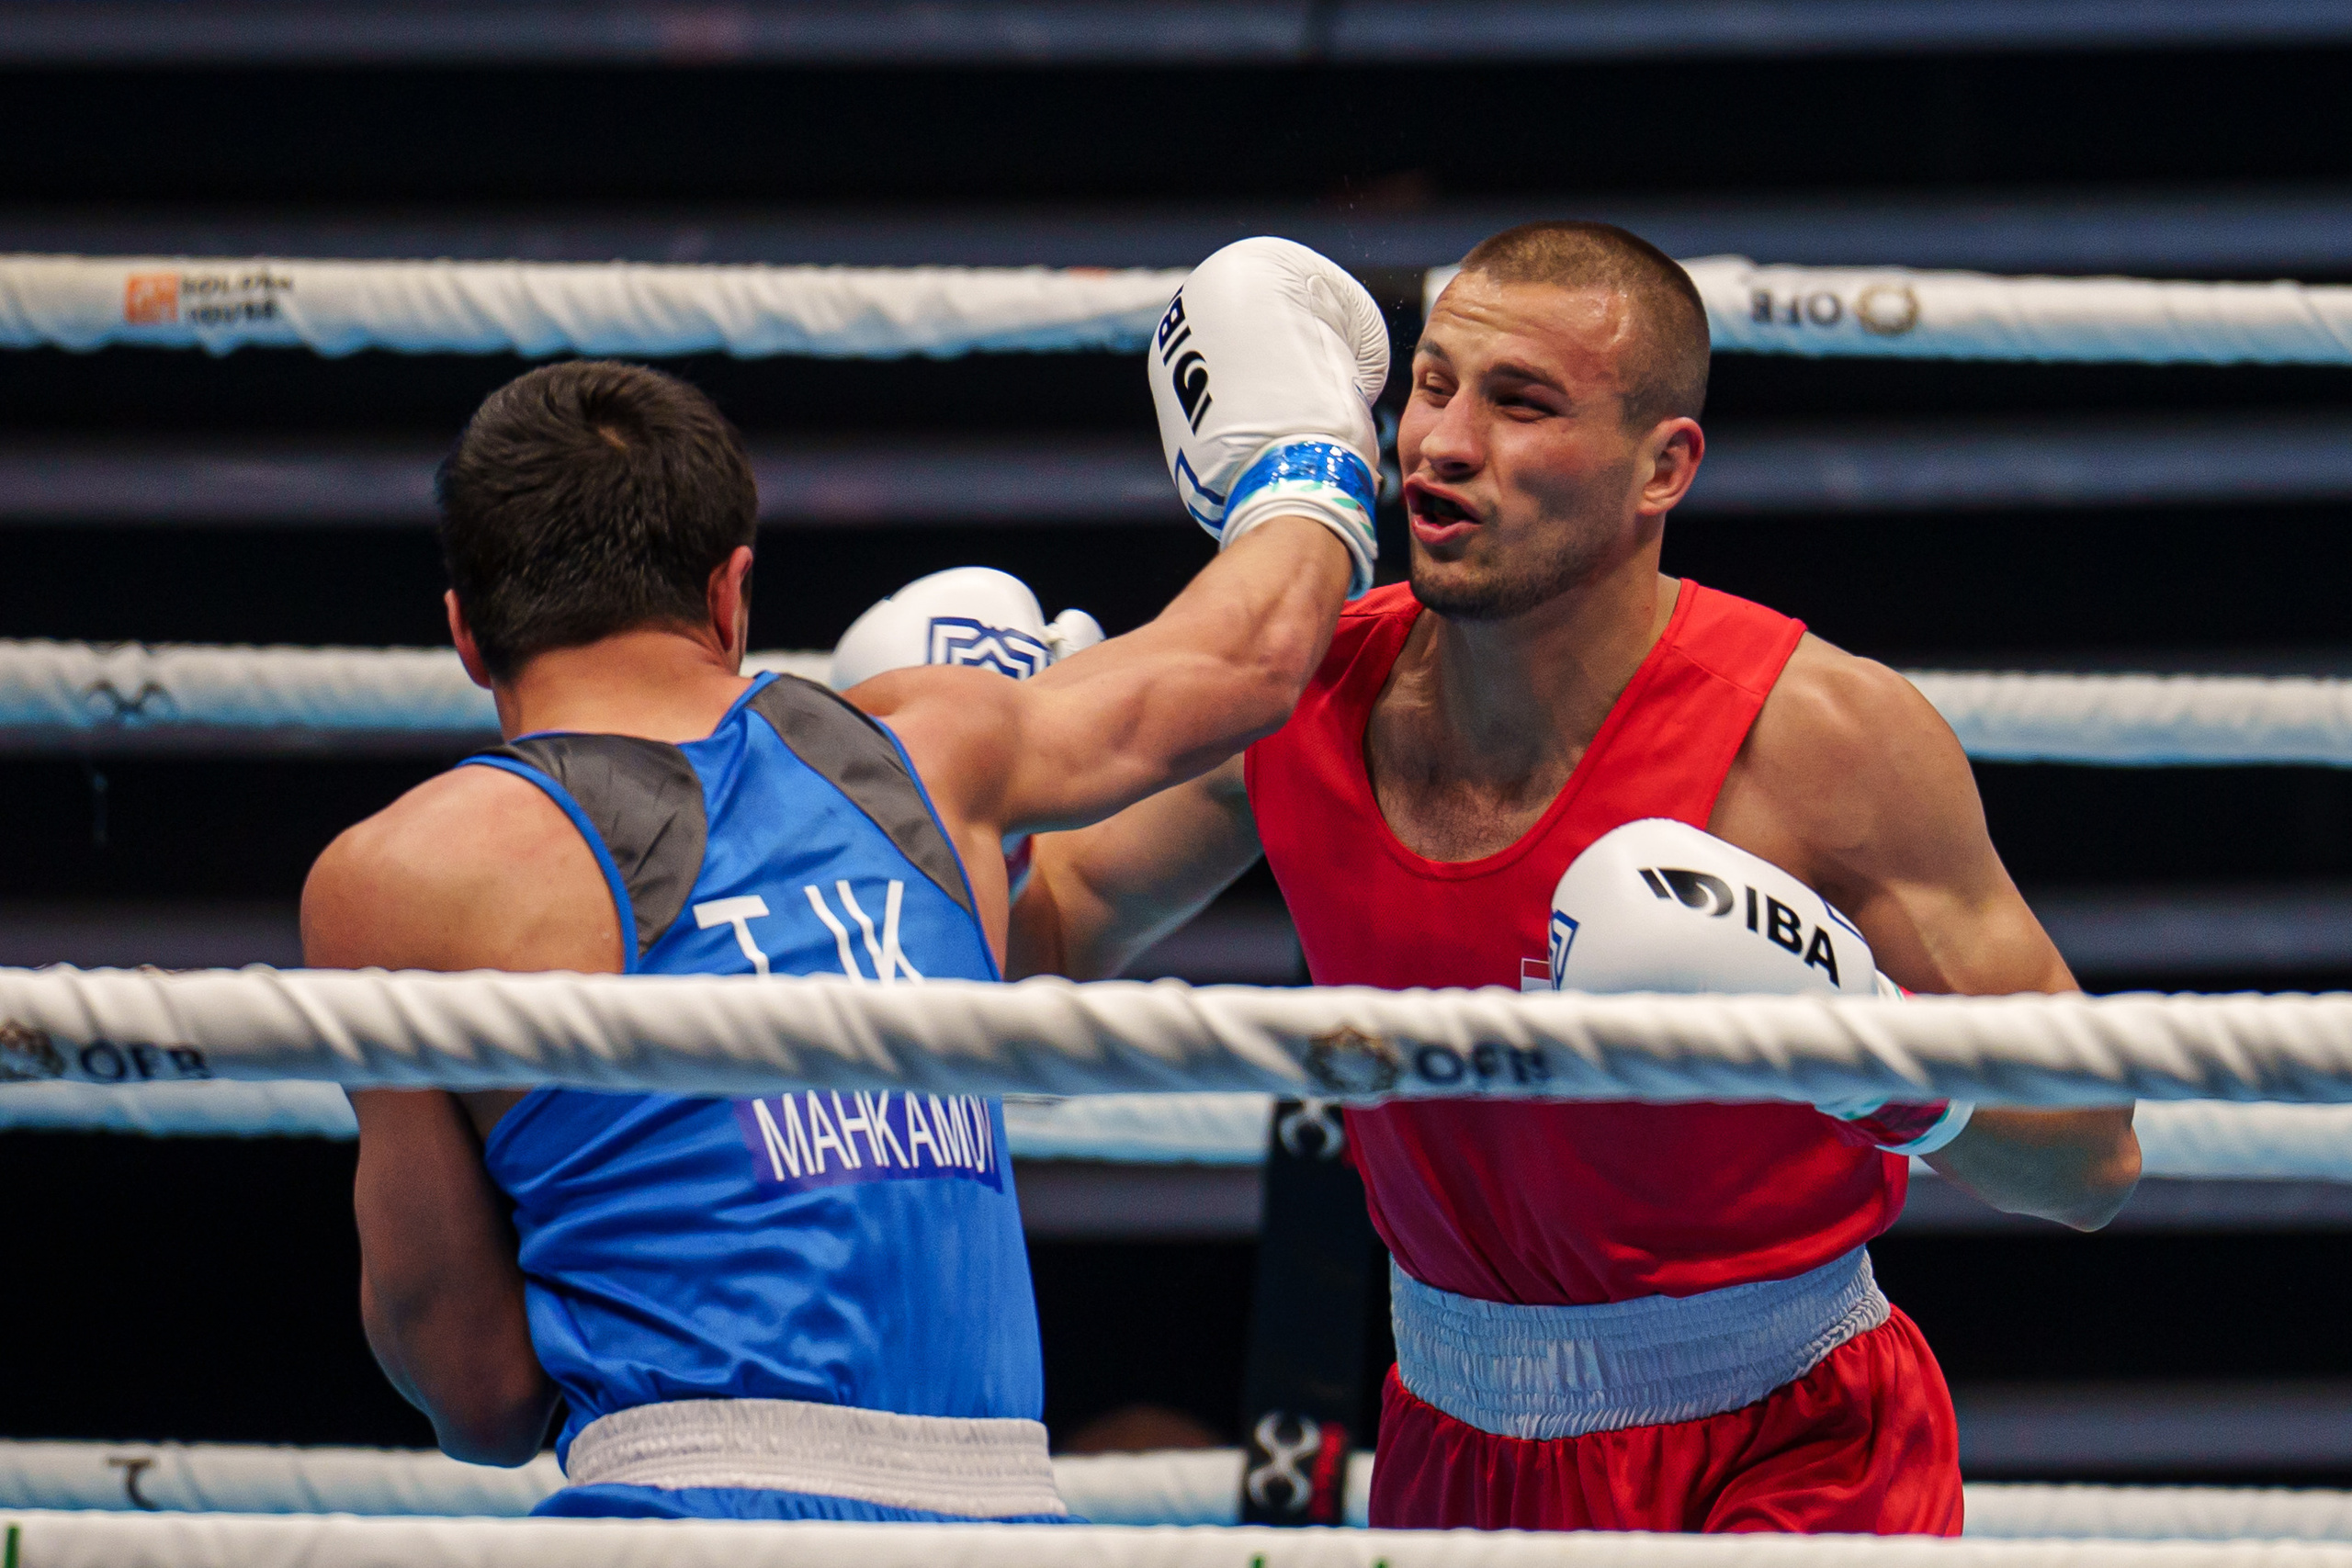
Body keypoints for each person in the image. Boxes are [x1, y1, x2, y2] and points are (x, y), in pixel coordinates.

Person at [1009, 220, 2143, 1535]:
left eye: (1520, 403)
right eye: (1431, 386)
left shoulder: (1818, 740)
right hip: (1454, 1444)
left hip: (1795, 1446)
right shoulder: (1295, 692)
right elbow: (1039, 951)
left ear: (1664, 467)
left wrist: (1877, 1056)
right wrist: (968, 797)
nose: (1440, 444)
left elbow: (2093, 1158)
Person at [302, 236, 1389, 1521]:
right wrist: (1308, 454)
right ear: (732, 595)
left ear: (465, 634)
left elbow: (478, 1396)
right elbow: (1251, 660)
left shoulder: (397, 879)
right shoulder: (932, 751)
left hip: (673, 1520)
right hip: (991, 1522)